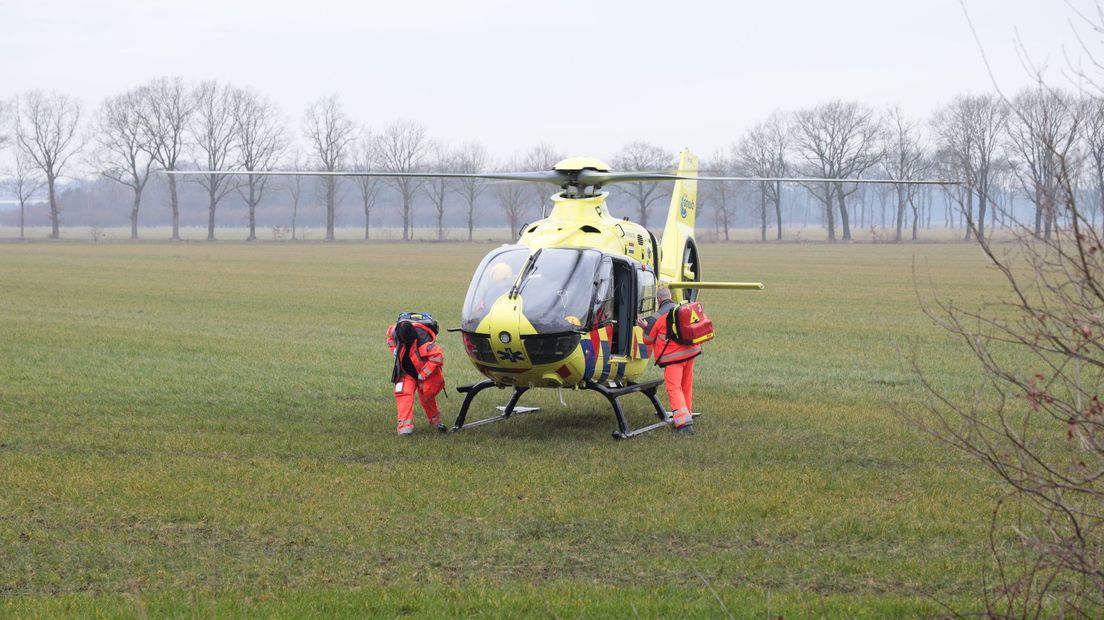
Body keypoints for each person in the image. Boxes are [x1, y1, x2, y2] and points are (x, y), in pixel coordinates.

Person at [638, 287, 702, 434]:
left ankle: (684, 426)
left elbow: (648, 340)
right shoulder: (681, 309)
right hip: (690, 354)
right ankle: (687, 414)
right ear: (670, 297)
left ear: (658, 300)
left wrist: (645, 328)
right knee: (686, 385)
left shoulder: (657, 316)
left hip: (673, 359)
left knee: (674, 388)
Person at [386, 317, 446, 436]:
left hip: (424, 374)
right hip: (405, 372)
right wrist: (394, 350)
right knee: (404, 394)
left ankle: (436, 421)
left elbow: (438, 357)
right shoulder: (395, 331)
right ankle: (404, 427)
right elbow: (389, 335)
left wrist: (423, 374)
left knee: (427, 396)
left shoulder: (424, 340)